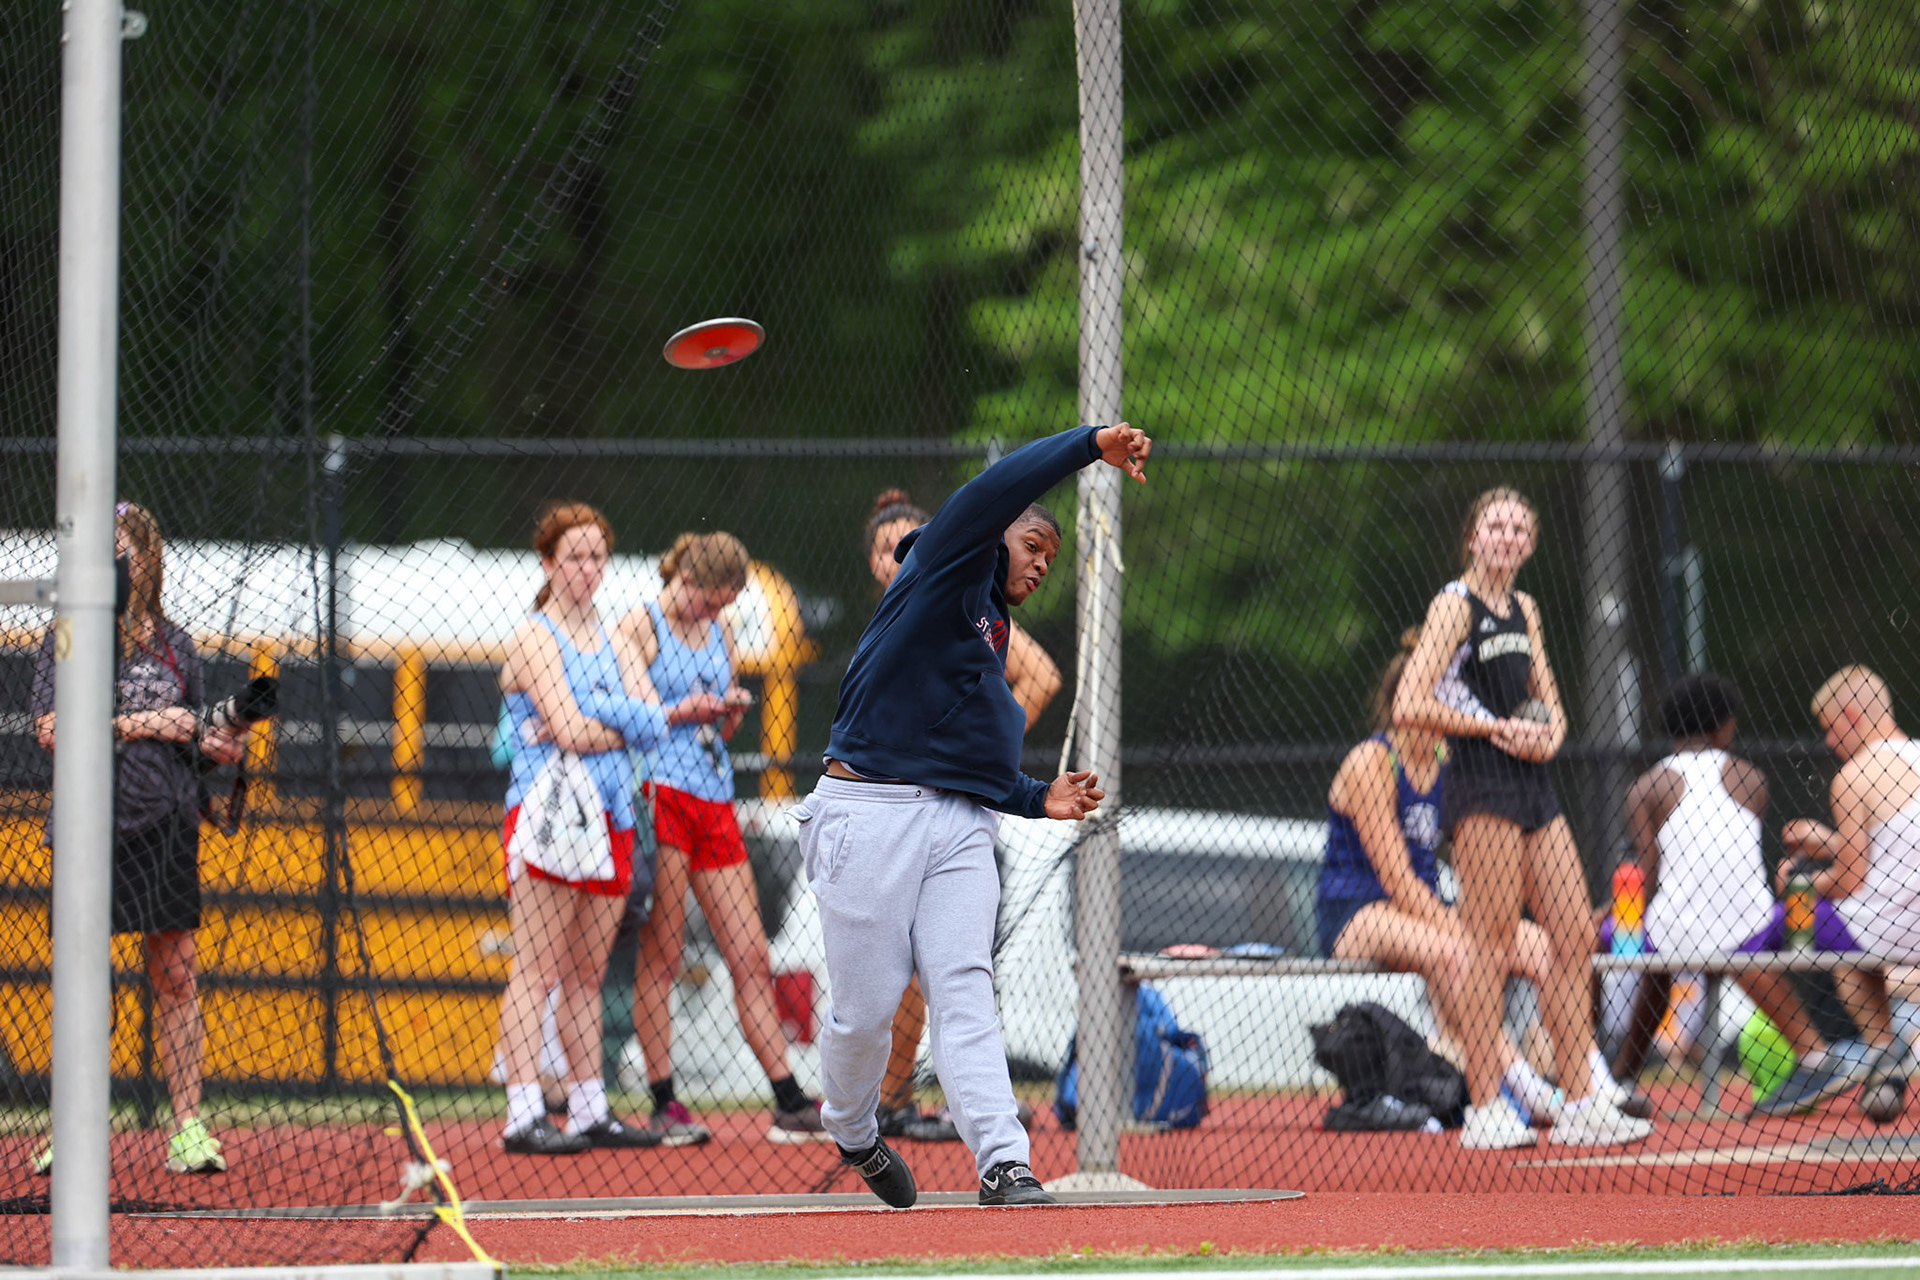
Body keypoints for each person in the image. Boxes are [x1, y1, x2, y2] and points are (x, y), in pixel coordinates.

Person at [800, 421, 1148, 1209]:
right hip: (866, 814)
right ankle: (852, 1126)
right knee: (866, 1013)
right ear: (997, 536)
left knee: (963, 986)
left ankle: (1004, 1162)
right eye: (1034, 546)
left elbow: (963, 757)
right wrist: (1092, 444)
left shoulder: (992, 629)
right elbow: (998, 492)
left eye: (1051, 558)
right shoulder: (946, 565)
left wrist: (1034, 798)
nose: (1041, 563)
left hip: (958, 823)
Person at [1395, 488, 1651, 1149]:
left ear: (1530, 544)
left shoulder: (1526, 608)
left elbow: (1551, 703)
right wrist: (1492, 727)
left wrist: (1550, 734)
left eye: (1518, 528)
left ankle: (1583, 1099)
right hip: (1481, 786)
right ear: (1474, 538)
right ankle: (1485, 1106)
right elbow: (1408, 703)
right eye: (1495, 526)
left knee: (1571, 934)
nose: (1507, 536)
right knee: (1491, 946)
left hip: (1533, 782)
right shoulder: (1456, 606)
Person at [30, 502, 254, 1176]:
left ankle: (188, 1127)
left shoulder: (177, 645)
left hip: (166, 825)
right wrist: (147, 720)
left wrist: (223, 739)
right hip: (86, 829)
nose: (113, 560)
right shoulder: (67, 634)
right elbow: (50, 731)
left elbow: (202, 740)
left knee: (176, 975)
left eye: (122, 548)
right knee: (82, 981)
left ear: (148, 557)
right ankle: (72, 1131)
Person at [496, 503, 724, 1154]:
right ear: (548, 562)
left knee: (588, 974)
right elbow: (577, 729)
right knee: (536, 969)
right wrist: (622, 720)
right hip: (550, 814)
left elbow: (649, 720)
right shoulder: (537, 637)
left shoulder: (618, 638)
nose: (587, 569)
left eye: (597, 556)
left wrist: (602, 715)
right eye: (574, 557)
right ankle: (523, 1113)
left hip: (614, 815)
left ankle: (590, 1109)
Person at [862, 490, 1063, 1143]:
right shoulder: (896, 623)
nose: (900, 554)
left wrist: (973, 752)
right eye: (887, 546)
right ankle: (875, 1105)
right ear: (872, 561)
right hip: (886, 812)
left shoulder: (969, 606)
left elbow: (1041, 676)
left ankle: (945, 1111)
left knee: (951, 969)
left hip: (957, 811)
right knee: (885, 972)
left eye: (913, 538)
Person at [1318, 626, 1572, 1124]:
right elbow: (1396, 879)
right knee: (1459, 953)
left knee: (1542, 946)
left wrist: (1491, 916)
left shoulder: (1446, 761)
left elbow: (1473, 860)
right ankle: (1520, 1088)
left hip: (1427, 910)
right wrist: (1464, 930)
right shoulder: (1374, 762)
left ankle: (1580, 1078)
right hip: (1358, 914)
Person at [620, 532, 826, 1144]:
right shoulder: (642, 623)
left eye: (723, 604)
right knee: (665, 952)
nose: (713, 613)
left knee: (749, 954)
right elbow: (641, 708)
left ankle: (788, 1095)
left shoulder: (721, 631)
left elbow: (725, 725)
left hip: (713, 796)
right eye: (708, 600)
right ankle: (663, 1099)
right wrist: (696, 706)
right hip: (661, 793)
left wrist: (730, 709)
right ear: (684, 579)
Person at [1748, 666, 1918, 1116]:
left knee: (1757, 935)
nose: (1827, 743)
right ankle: (1887, 1061)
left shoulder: (1854, 776)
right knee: (1850, 955)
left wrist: (1800, 884)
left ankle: (1821, 1056)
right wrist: (1827, 841)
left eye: (1829, 729)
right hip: (1901, 920)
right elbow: (1898, 847)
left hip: (1894, 924)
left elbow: (1851, 880)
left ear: (1850, 715)